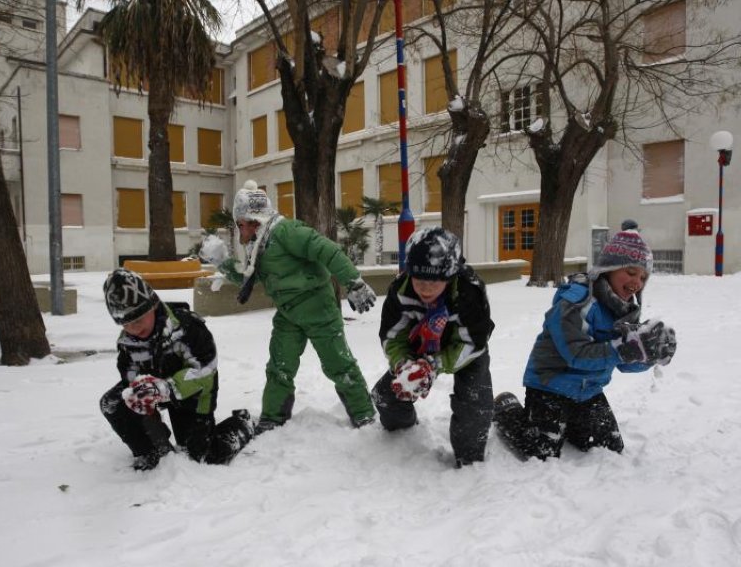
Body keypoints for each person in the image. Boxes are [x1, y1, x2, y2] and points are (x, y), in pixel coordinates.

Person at [203, 180, 378, 433]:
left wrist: (353, 282)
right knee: (279, 366)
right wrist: (222, 263)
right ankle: (273, 417)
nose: (239, 230)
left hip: (319, 309)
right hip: (288, 313)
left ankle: (363, 414)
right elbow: (249, 277)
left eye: (239, 224)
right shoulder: (259, 245)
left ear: (252, 220)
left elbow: (327, 250)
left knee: (339, 364)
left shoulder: (286, 232)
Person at [493, 221, 677, 461]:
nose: (637, 282)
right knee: (541, 452)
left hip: (588, 391)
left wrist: (647, 355)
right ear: (609, 268)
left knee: (609, 448)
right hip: (550, 385)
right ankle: (506, 409)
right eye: (631, 272)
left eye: (643, 277)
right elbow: (575, 354)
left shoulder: (625, 310)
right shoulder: (577, 300)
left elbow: (623, 363)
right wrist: (623, 349)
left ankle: (569, 425)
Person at [100, 268, 254, 471]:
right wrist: (140, 396)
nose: (134, 328)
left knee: (201, 457)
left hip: (195, 393)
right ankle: (149, 453)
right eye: (126, 324)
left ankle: (242, 424)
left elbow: (205, 369)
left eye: (138, 319)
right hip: (156, 389)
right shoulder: (128, 343)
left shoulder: (187, 328)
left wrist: (166, 388)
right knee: (112, 403)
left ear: (152, 306)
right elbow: (129, 373)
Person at [370, 227, 495, 467]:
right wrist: (404, 364)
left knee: (474, 405)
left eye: (434, 281)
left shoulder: (469, 292)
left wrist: (435, 365)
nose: (425, 288)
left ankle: (469, 460)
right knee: (385, 397)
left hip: (465, 350)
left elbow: (474, 341)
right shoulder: (401, 290)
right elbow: (392, 336)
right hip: (420, 343)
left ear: (450, 277)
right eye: (419, 280)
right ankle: (403, 433)